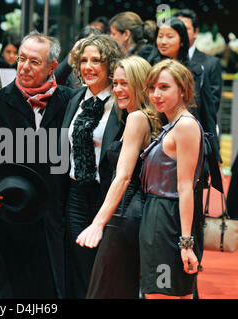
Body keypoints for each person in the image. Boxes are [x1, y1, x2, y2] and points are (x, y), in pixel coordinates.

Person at [0, 31, 74, 298]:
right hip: (14, 215)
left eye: (34, 62)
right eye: (21, 58)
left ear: (52, 66)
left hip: (58, 219)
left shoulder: (70, 101)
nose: (25, 66)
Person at [76, 56, 162, 298]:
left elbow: (123, 177)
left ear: (141, 85)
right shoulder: (147, 117)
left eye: (126, 84)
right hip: (135, 214)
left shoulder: (136, 119)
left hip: (124, 216)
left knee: (106, 290)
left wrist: (98, 223)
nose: (118, 90)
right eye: (116, 83)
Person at [61, 35, 125, 298]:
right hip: (76, 194)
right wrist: (70, 54)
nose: (88, 66)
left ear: (110, 65)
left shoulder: (123, 104)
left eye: (96, 60)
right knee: (78, 267)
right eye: (83, 60)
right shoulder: (74, 98)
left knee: (106, 270)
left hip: (108, 196)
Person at [139, 59, 205, 299]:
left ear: (183, 90)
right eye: (152, 87)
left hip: (168, 220)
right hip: (159, 216)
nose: (156, 94)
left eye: (164, 87)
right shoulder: (173, 125)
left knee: (163, 293)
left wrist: (186, 244)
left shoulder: (185, 126)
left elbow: (186, 187)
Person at [144, 17, 219, 162]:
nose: (163, 41)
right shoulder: (149, 67)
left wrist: (215, 157)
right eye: (160, 36)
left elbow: (207, 114)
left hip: (187, 138)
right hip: (153, 137)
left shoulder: (195, 71)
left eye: (170, 37)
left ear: (182, 40)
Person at [173, 9, 223, 116]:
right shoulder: (162, 61)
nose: (181, 33)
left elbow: (212, 105)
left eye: (185, 29)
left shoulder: (211, 63)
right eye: (177, 29)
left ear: (196, 32)